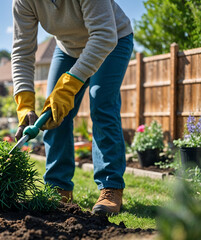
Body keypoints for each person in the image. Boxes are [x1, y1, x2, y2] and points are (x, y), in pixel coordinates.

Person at [12, 0, 134, 215]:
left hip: (111, 41)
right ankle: (58, 188)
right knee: (54, 113)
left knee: (102, 105)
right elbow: (22, 50)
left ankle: (110, 187)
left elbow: (104, 35)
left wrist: (68, 86)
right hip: (68, 49)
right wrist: (25, 103)